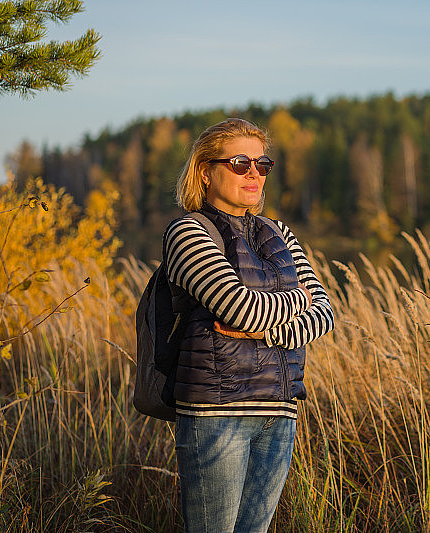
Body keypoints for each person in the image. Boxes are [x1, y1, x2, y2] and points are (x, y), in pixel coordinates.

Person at [164, 118, 334, 532]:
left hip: (279, 409)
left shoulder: (279, 232)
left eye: (263, 164)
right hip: (216, 412)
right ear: (206, 171)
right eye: (240, 163)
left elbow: (325, 313)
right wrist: (295, 305)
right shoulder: (189, 231)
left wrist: (265, 326)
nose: (254, 173)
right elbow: (240, 308)